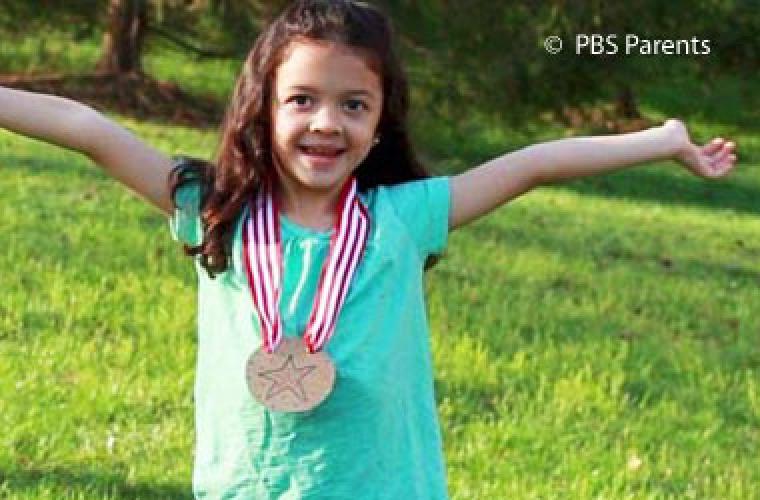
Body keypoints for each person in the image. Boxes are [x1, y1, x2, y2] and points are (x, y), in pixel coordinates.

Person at [0, 0, 737, 498]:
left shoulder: (405, 217)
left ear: (381, 123)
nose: (327, 122)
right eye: (303, 99)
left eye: (354, 105)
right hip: (245, 487)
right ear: (262, 107)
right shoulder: (214, 207)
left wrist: (662, 142)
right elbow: (88, 129)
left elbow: (534, 162)